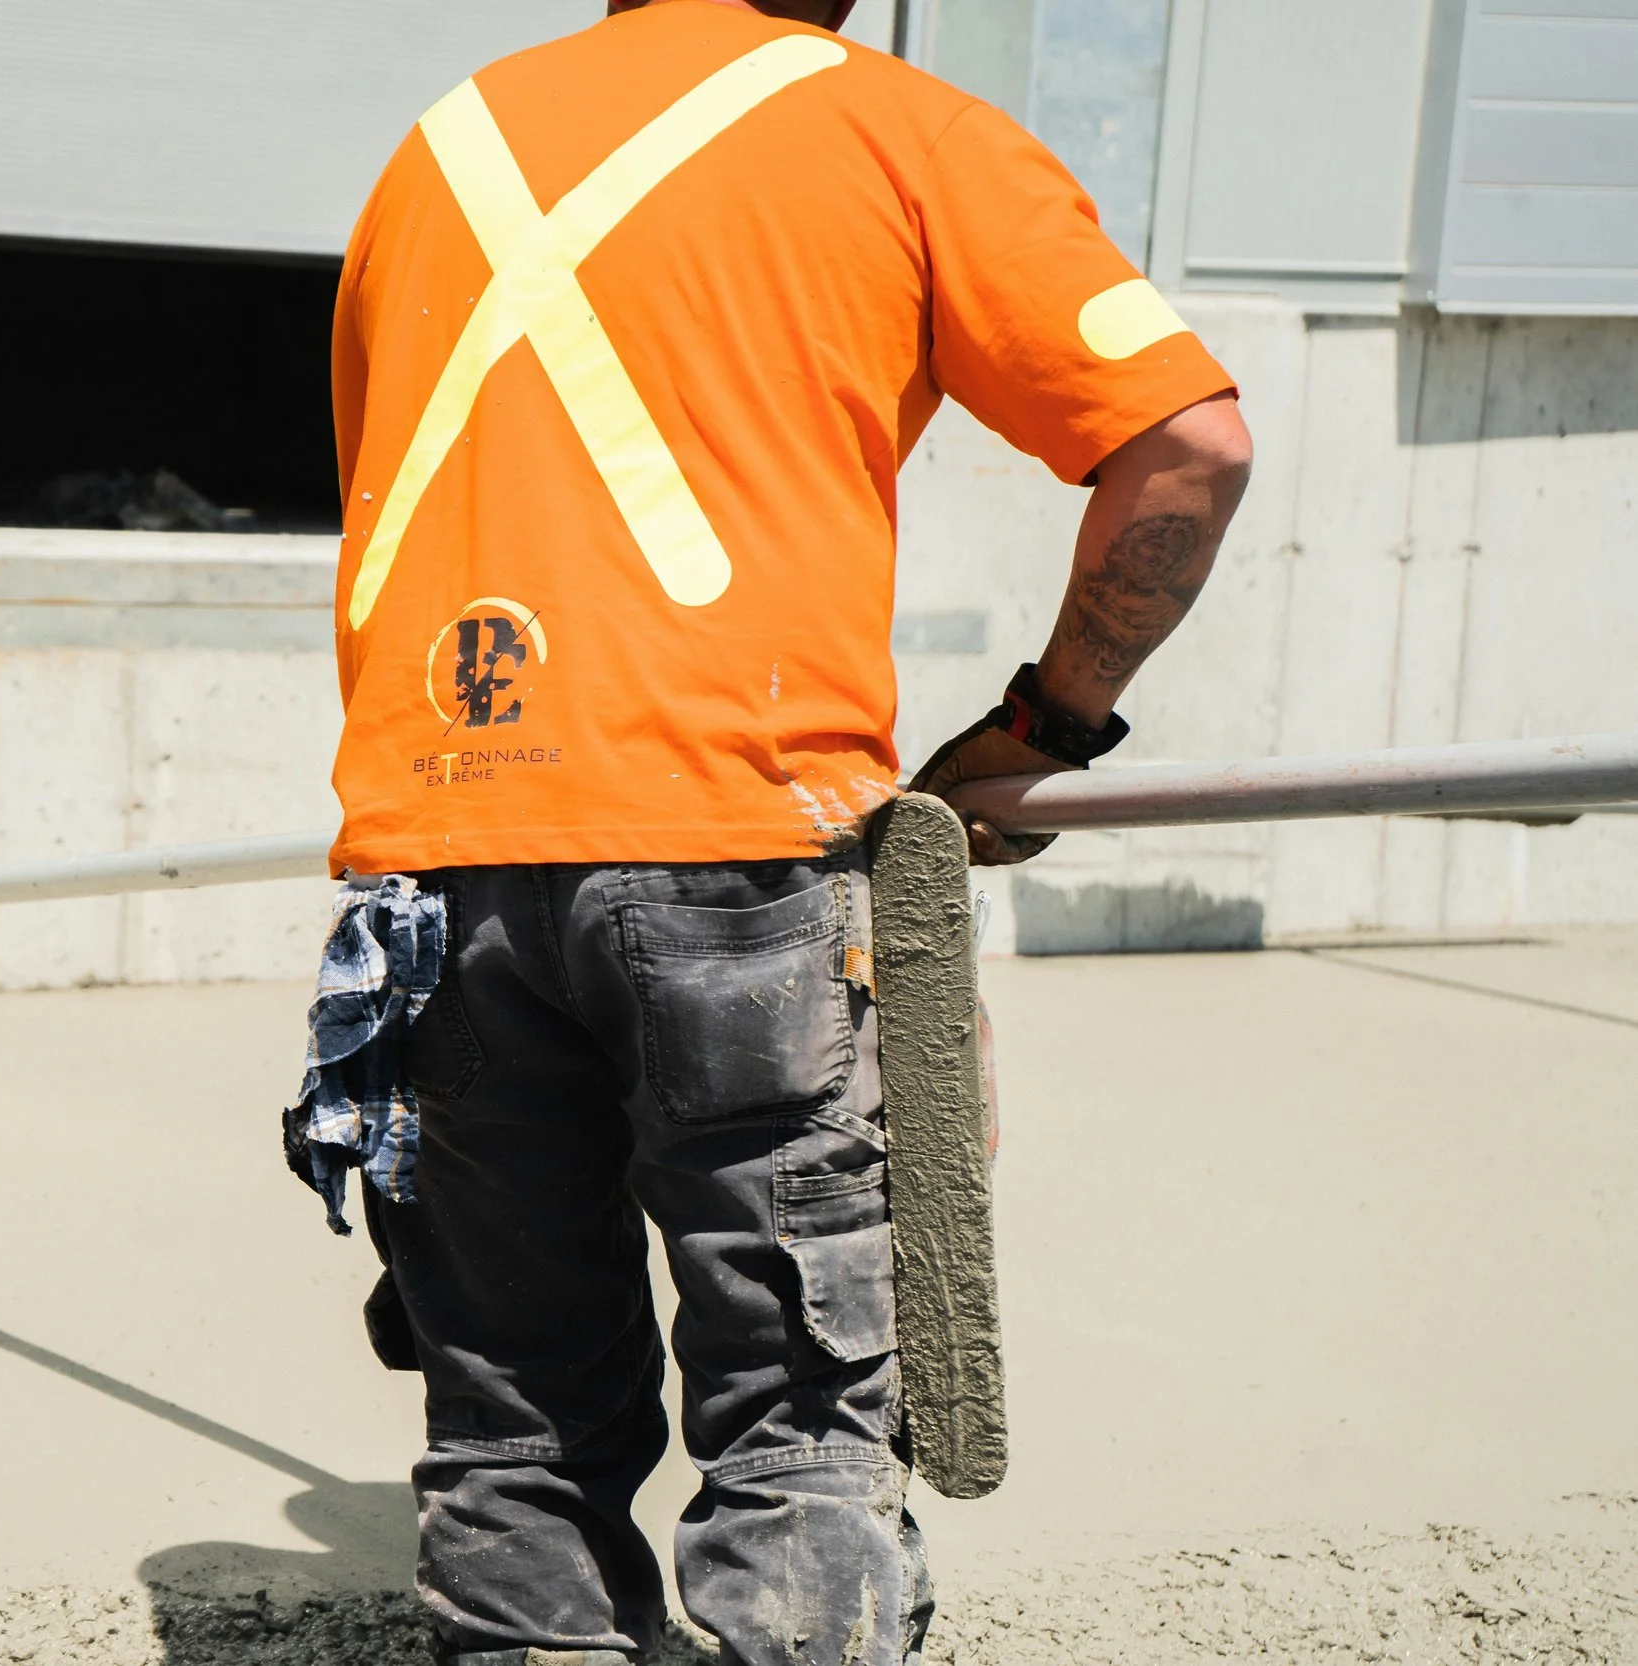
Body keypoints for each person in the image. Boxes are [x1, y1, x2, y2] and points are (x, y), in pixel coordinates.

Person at [290, 1, 1253, 1661]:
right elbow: (1186, 444)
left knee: (512, 1441)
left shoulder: (440, 153)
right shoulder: (894, 130)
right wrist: (1046, 724)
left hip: (432, 875)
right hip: (737, 842)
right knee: (801, 1429)